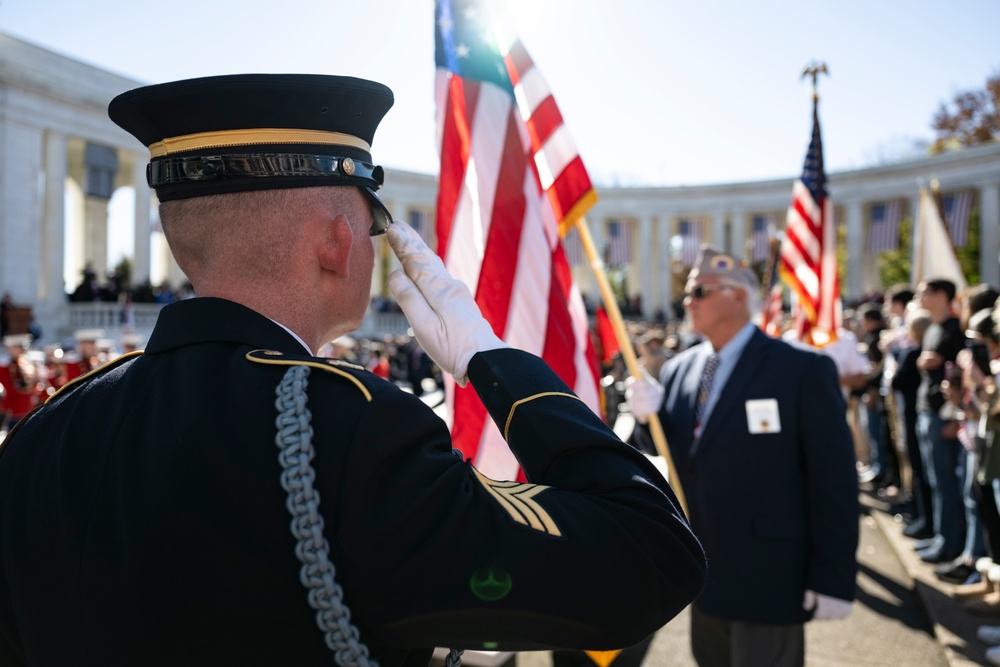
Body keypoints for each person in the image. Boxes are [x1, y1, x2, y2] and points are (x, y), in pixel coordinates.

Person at [0, 74, 706, 667]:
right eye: (372, 229)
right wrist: (495, 360)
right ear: (340, 242)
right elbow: (649, 555)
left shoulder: (45, 433)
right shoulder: (347, 428)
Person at [626, 245, 858, 667]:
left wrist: (834, 576)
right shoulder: (682, 368)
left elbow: (834, 480)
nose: (686, 301)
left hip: (770, 573)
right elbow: (676, 454)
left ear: (736, 296)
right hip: (704, 570)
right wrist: (647, 419)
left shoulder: (801, 369)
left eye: (699, 291)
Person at [912, 277, 967, 564]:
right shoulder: (933, 327)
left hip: (941, 416)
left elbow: (961, 378)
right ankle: (940, 535)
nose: (920, 297)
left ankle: (951, 542)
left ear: (941, 295)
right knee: (935, 480)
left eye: (925, 292)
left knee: (946, 481)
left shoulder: (955, 329)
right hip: (926, 411)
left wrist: (955, 418)